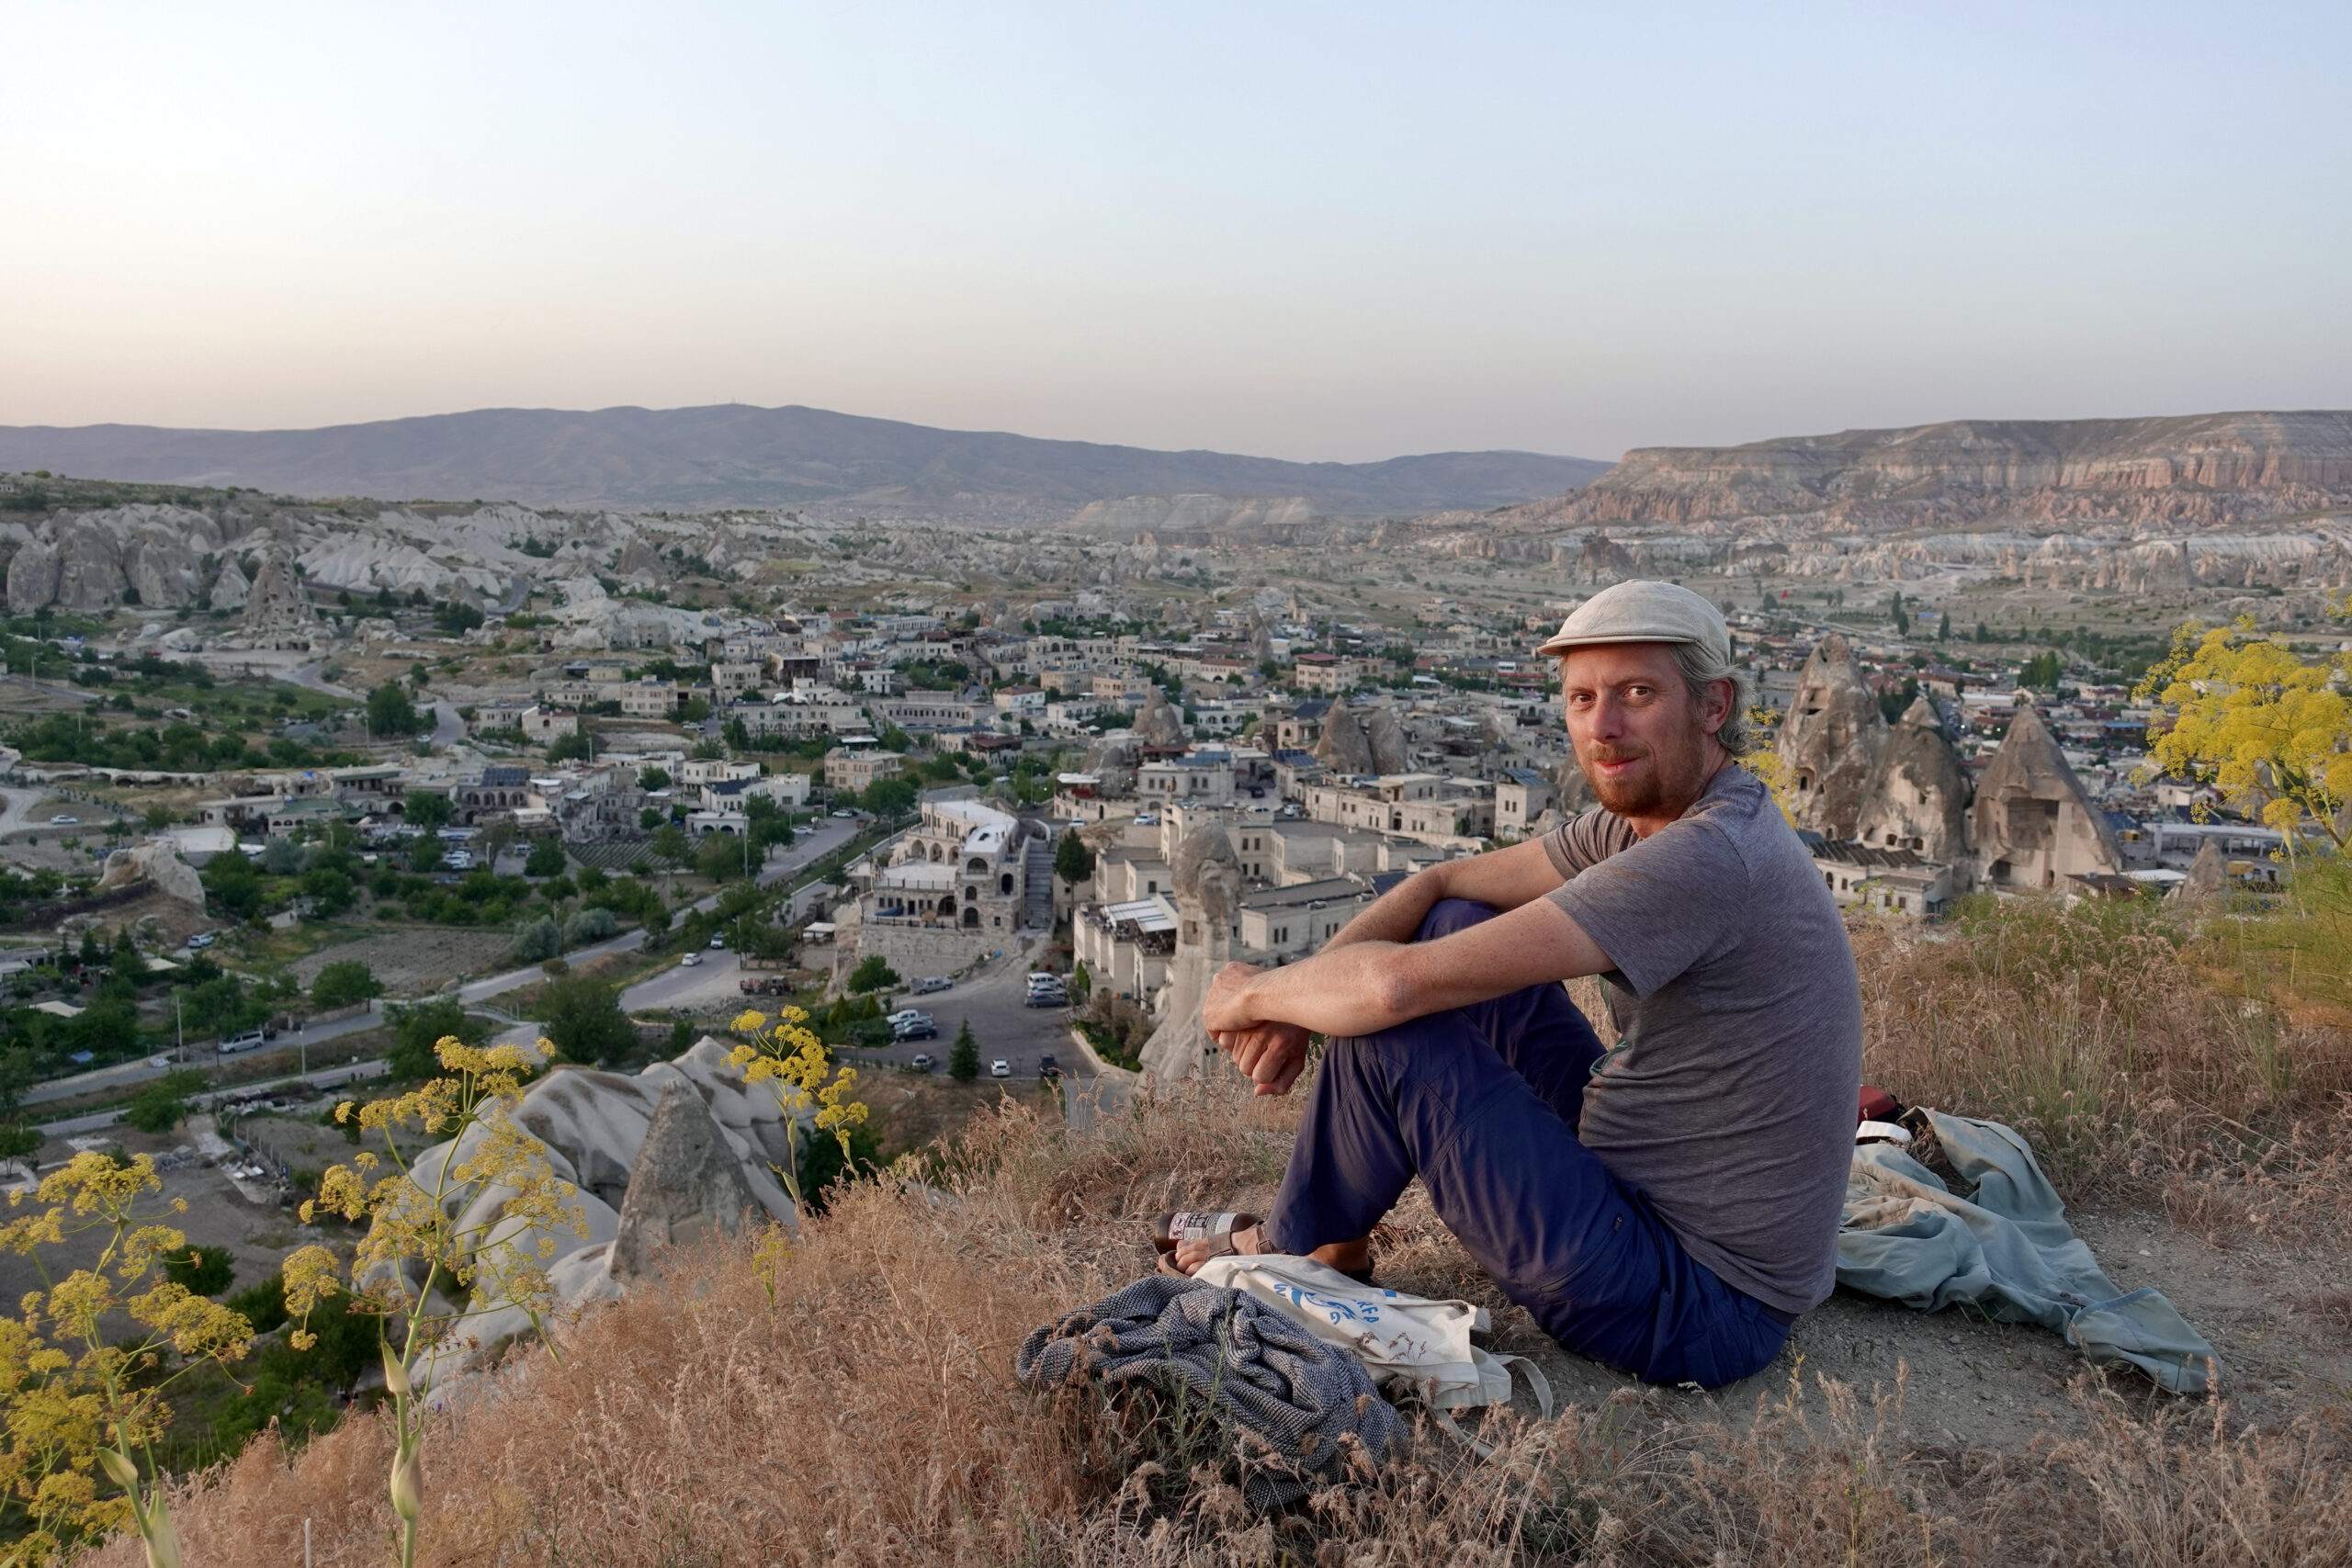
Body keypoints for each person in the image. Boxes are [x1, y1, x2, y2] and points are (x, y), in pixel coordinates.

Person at [1170, 581, 1861, 1389]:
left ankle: (1292, 1243)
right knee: (1457, 922)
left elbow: (1392, 992)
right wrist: (1300, 1010)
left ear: (1714, 705)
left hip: (1697, 1302)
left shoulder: (1708, 856)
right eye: (1581, 697)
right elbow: (1442, 887)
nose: (1602, 728)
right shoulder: (1649, 819)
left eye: (1637, 694)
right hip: (1649, 1190)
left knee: (1395, 1023)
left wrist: (1255, 995)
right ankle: (1335, 1239)